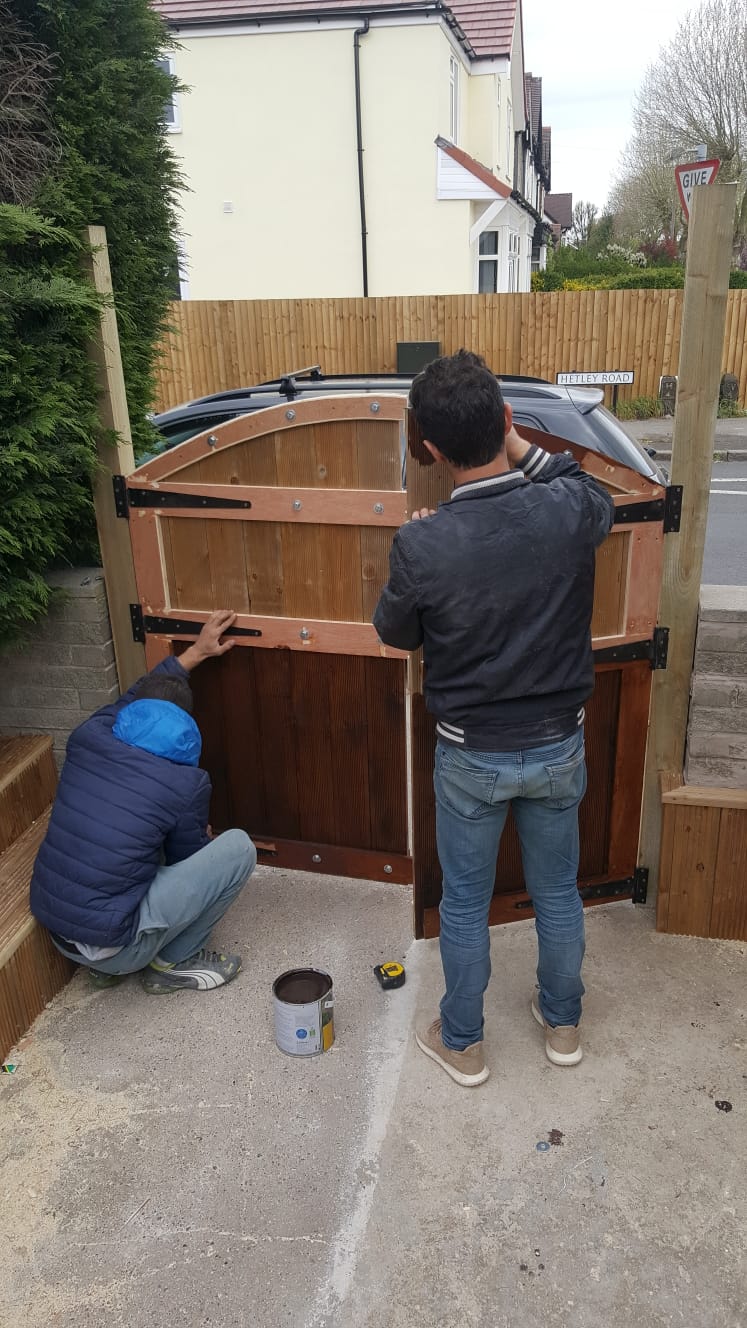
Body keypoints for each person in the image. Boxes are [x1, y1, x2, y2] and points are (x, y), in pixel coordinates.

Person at [374, 351, 614, 1087]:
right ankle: (563, 1025)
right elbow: (591, 489)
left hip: (470, 756)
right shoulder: (568, 508)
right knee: (558, 893)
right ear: (507, 421)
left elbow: (395, 633)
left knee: (464, 905)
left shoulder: (422, 542)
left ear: (431, 448)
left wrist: (421, 552)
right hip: (557, 747)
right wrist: (517, 444)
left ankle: (464, 1043)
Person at [31, 611, 256, 994]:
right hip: (113, 947)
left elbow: (135, 695)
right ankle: (172, 963)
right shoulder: (185, 783)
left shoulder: (89, 734)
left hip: (59, 933)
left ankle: (107, 966)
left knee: (137, 840)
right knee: (238, 849)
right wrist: (202, 841)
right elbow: (188, 867)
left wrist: (196, 652)